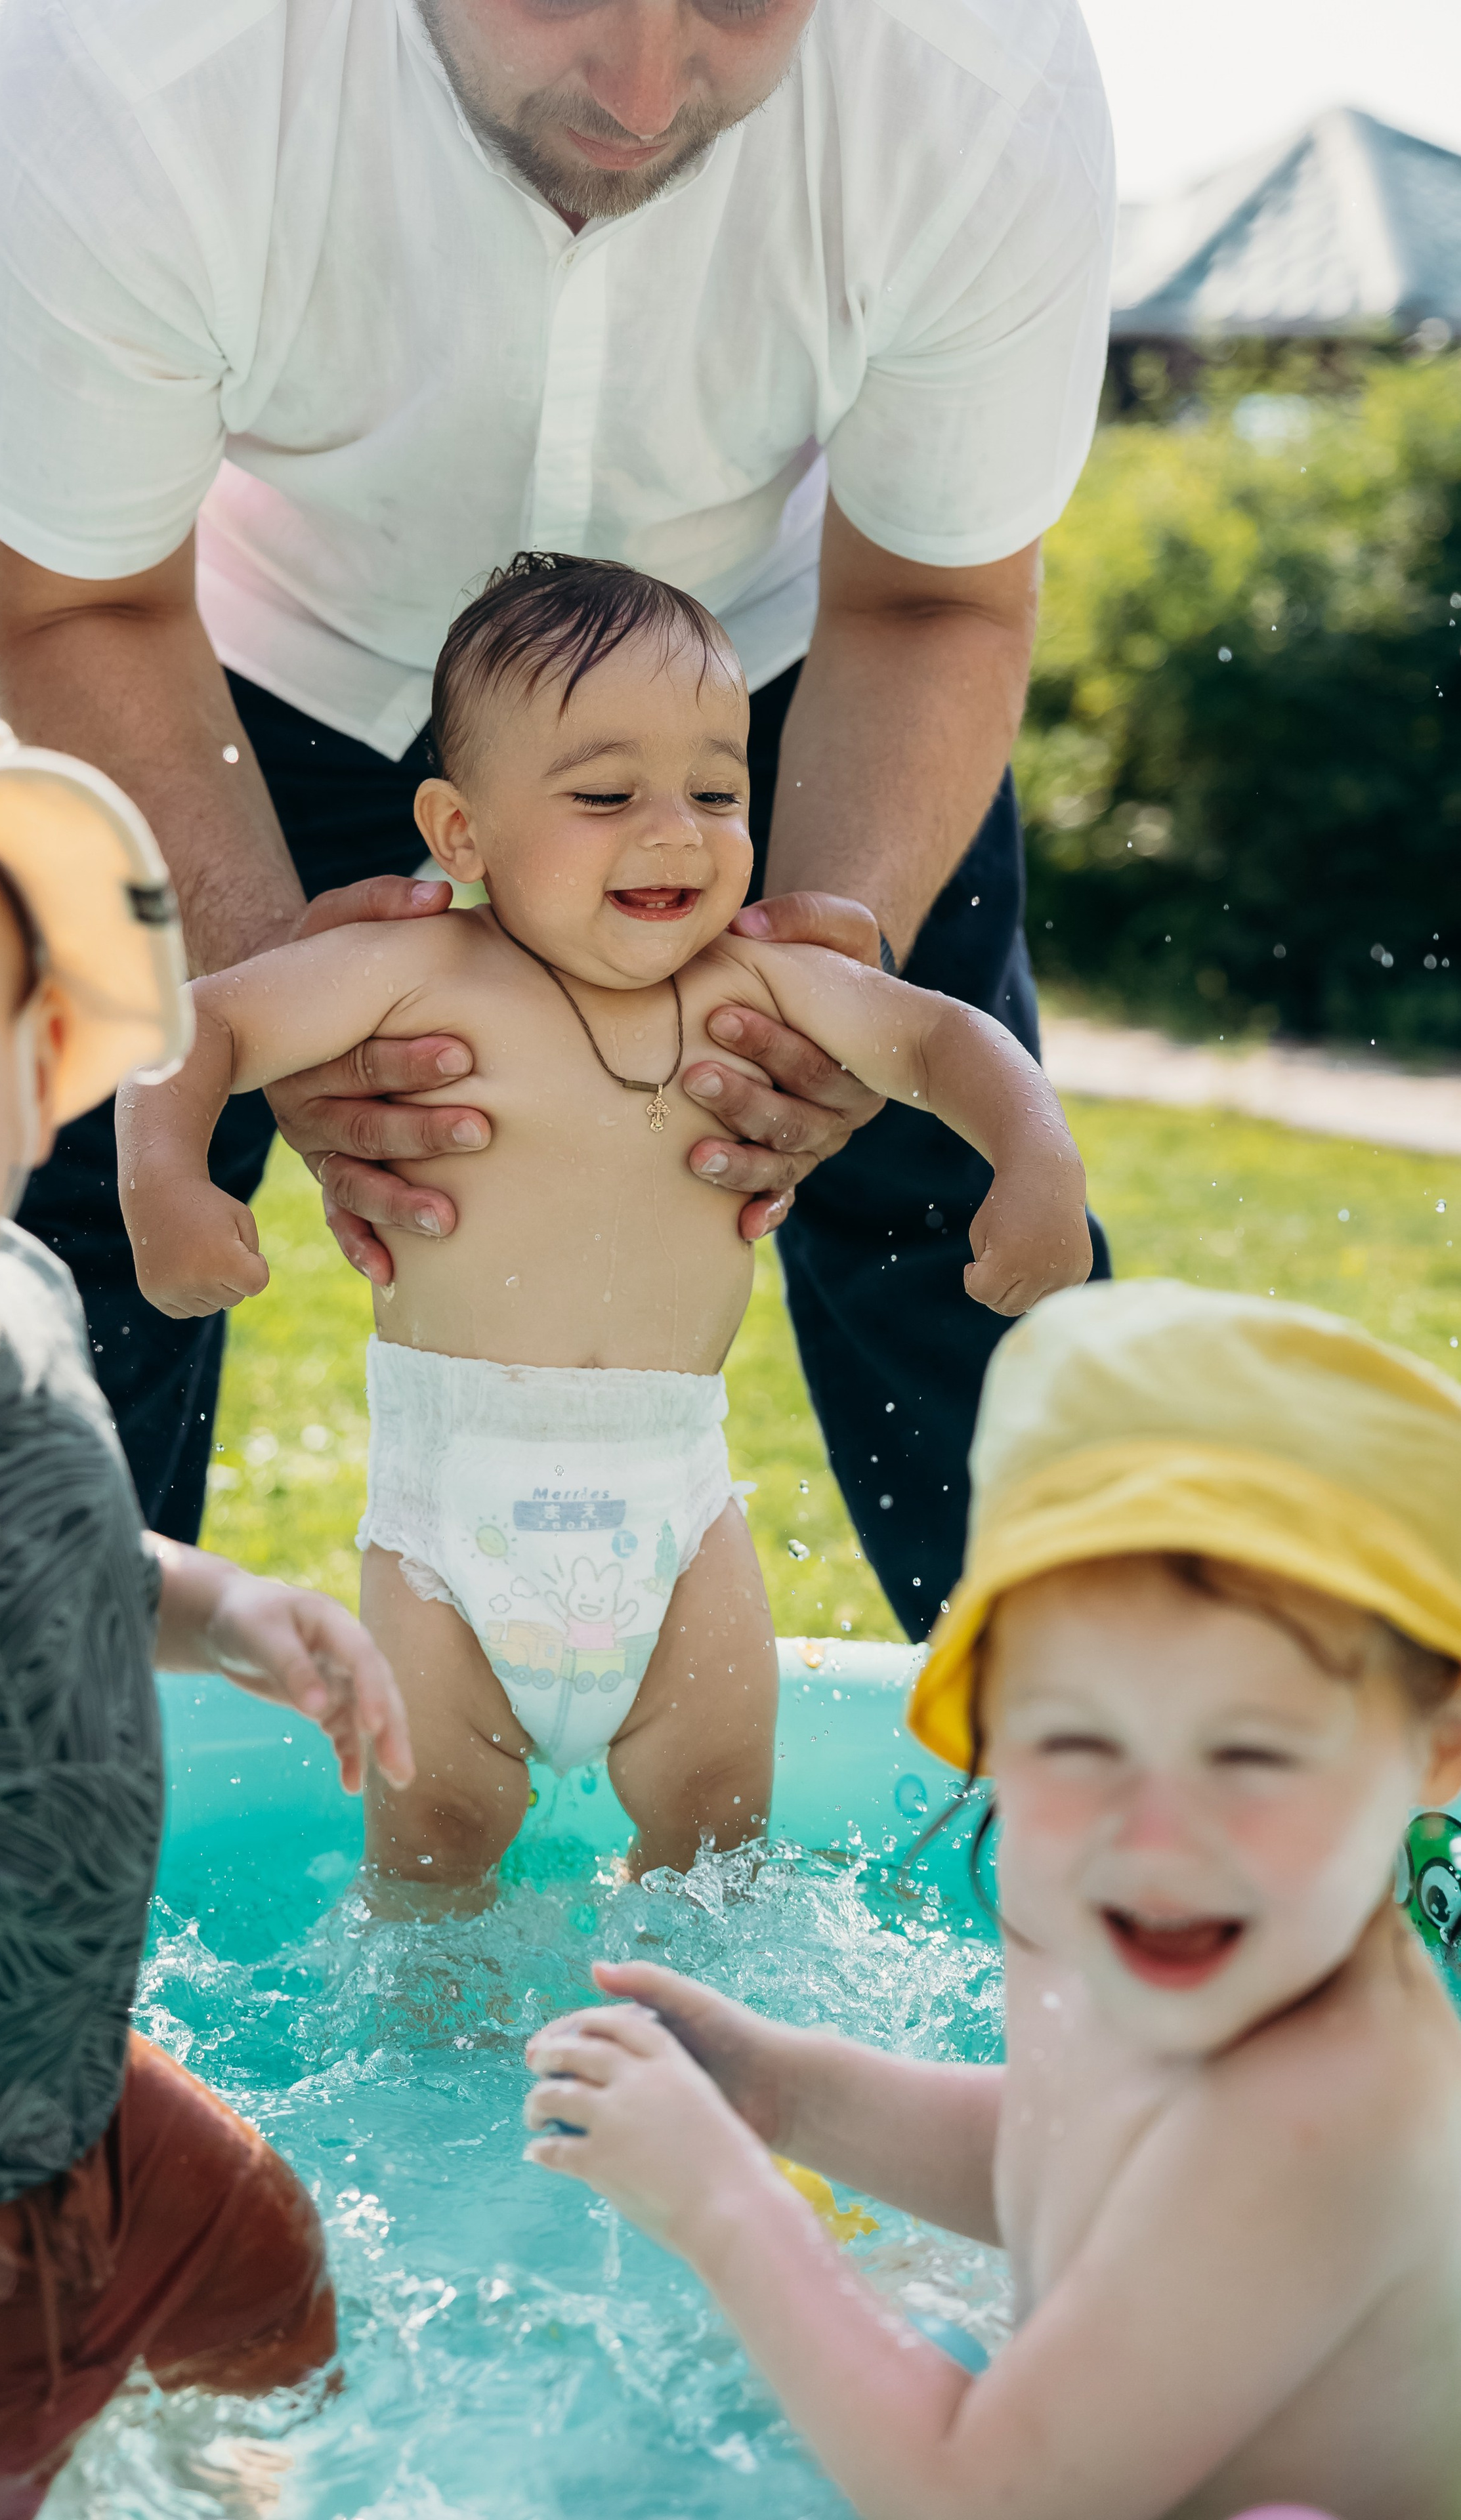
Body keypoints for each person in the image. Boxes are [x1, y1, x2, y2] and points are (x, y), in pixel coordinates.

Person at [0, 0, 1116, 1618]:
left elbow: (930, 602)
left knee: (926, 1185)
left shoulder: (977, 74)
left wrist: (836, 960)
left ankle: (1131, 1786)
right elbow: (79, 604)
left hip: (753, 666)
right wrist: (263, 981)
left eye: (738, 0)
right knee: (48, 1214)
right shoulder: (126, 60)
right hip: (218, 653)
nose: (639, 90)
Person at [121, 555, 1091, 1883]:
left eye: (716, 790)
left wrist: (1034, 1166)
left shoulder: (763, 980)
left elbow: (941, 1041)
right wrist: (170, 1184)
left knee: (717, 1844)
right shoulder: (412, 973)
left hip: (676, 1516)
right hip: (451, 1529)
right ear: (460, 835)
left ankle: (691, 2059)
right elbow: (200, 1026)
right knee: (436, 1850)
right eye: (603, 796)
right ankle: (429, 2078)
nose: (675, 832)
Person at [0, 671, 413, 2519]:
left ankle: (208, 2477)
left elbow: (60, 1546)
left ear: (39, 1064)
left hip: (72, 2082)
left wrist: (218, 1612)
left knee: (271, 2289)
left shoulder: (11, 1299)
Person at [522, 1278, 1461, 2520]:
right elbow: (1070, 2151)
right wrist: (787, 2091)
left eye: (1252, 1759)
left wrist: (723, 2204)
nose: (1155, 1837)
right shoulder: (1199, 1934)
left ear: (1438, 1753)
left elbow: (977, 2500)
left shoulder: (1317, 2112)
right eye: (1076, 1745)